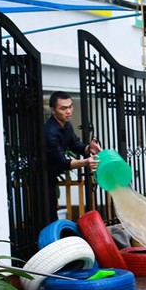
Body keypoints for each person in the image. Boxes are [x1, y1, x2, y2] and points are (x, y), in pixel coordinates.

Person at [44, 91, 101, 222]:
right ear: (53, 110)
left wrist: (89, 148)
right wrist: (86, 162)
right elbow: (62, 162)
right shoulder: (50, 132)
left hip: (52, 177)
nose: (68, 111)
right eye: (63, 108)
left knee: (52, 214)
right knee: (48, 216)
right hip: (42, 179)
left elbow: (75, 144)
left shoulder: (66, 125)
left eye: (70, 106)